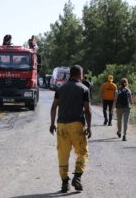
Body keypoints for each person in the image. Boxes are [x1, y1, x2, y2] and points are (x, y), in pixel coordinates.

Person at [50, 65, 92, 193]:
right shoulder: (84, 89)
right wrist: (89, 126)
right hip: (77, 125)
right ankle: (77, 177)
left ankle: (64, 183)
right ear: (80, 74)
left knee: (63, 154)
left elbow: (54, 107)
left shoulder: (60, 88)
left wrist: (52, 124)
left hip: (61, 125)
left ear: (70, 74)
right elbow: (87, 110)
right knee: (82, 152)